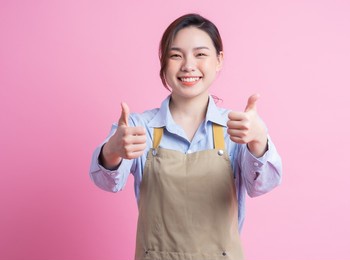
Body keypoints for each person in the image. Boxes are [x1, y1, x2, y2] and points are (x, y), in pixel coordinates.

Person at [90, 13, 282, 260]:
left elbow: (262, 185)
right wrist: (112, 150)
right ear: (164, 61)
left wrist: (258, 140)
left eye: (200, 54)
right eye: (176, 55)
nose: (188, 65)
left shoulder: (238, 127)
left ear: (219, 60)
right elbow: (107, 182)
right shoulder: (139, 127)